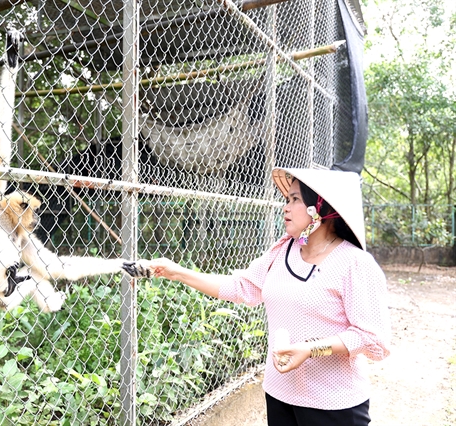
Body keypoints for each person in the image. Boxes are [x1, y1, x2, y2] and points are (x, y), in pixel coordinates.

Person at [123, 167, 391, 426]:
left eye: (295, 199)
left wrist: (310, 350)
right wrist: (175, 271)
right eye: (287, 199)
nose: (285, 207)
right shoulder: (281, 252)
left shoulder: (355, 264)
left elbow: (374, 339)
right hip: (280, 394)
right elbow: (240, 287)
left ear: (319, 208)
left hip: (334, 404)